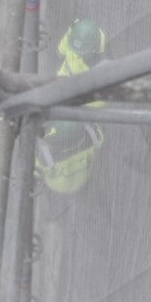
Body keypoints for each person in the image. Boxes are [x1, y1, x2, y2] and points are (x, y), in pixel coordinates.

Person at [34, 19, 107, 194]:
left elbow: (33, 167)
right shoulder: (93, 136)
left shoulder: (45, 154)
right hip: (82, 177)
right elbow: (99, 111)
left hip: (56, 185)